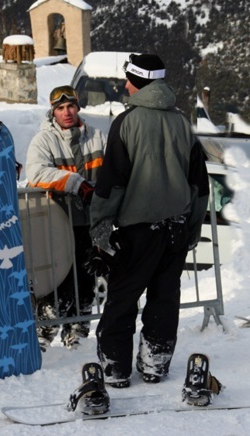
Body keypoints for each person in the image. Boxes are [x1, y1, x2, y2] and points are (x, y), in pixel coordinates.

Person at [84, 54, 210, 388]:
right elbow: (199, 184)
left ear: (139, 82)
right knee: (164, 298)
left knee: (123, 298)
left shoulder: (126, 123)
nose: (125, 85)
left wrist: (100, 229)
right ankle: (155, 364)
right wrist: (192, 229)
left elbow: (112, 183)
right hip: (176, 228)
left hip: (138, 229)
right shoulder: (183, 124)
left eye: (129, 79)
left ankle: (115, 368)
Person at [26, 85, 107, 350]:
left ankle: (79, 331)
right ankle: (42, 333)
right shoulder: (44, 140)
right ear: (53, 112)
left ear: (78, 106)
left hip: (90, 222)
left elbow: (115, 170)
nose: (66, 112)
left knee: (86, 279)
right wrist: (76, 183)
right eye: (60, 108)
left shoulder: (97, 137)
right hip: (58, 222)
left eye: (70, 106)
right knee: (59, 280)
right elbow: (37, 173)